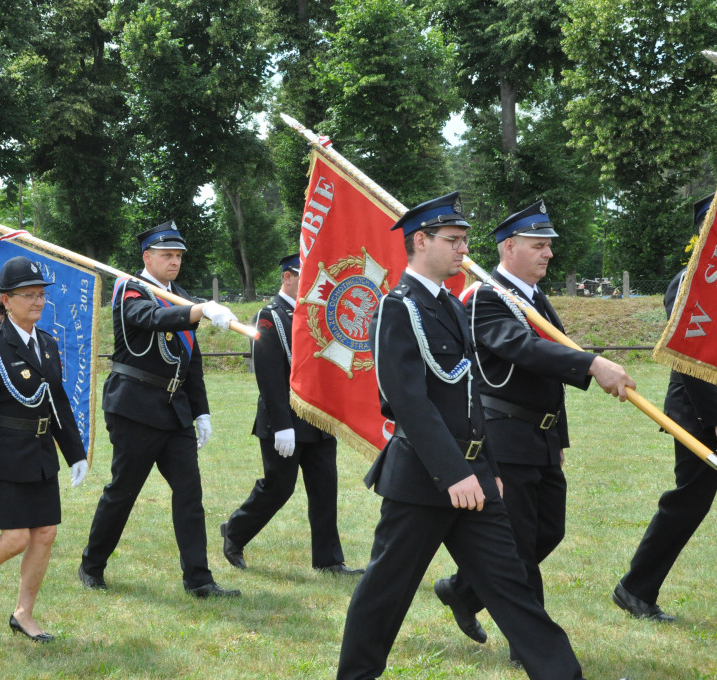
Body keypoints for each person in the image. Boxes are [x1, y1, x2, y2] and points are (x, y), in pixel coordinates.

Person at [336, 193, 600, 680]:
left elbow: (470, 396)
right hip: (423, 480)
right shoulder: (399, 308)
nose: (463, 251)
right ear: (420, 241)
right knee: (385, 592)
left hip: (476, 479)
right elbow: (408, 403)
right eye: (453, 241)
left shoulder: (451, 307)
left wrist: (488, 471)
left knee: (514, 589)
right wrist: (455, 472)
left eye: (464, 241)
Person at [432, 201, 635, 659]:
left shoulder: (532, 298)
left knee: (548, 532)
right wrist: (591, 363)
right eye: (538, 246)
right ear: (508, 248)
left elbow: (546, 375)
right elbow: (523, 349)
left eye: (548, 247)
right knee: (520, 544)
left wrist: (557, 438)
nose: (547, 254)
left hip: (540, 438)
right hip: (504, 435)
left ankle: (464, 590)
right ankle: (532, 648)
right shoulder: (485, 296)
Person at [78, 220, 241, 598]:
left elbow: (191, 360)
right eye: (167, 255)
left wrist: (201, 411)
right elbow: (149, 320)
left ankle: (199, 580)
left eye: (178, 255)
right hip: (134, 407)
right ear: (147, 256)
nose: (174, 261)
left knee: (189, 494)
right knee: (123, 492)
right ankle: (92, 565)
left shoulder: (180, 295)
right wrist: (199, 311)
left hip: (174, 409)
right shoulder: (129, 289)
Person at [613, 194, 717, 622]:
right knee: (686, 506)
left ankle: (634, 588)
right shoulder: (689, 283)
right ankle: (634, 589)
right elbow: (687, 363)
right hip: (706, 420)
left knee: (687, 505)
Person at [0, 256, 88, 641]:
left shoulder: (46, 343)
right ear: (5, 300)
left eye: (41, 294)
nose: (37, 302)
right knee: (15, 537)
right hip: (1, 455)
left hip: (40, 452)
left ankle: (23, 614)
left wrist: (74, 452)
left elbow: (57, 402)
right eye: (28, 295)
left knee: (44, 533)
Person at [220, 253, 362, 575]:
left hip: (318, 418)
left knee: (325, 487)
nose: (313, 284)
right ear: (288, 277)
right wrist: (283, 425)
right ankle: (234, 532)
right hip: (283, 421)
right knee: (279, 487)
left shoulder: (320, 314)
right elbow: (268, 375)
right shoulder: (269, 316)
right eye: (305, 277)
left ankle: (329, 560)